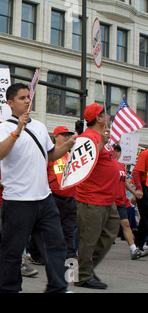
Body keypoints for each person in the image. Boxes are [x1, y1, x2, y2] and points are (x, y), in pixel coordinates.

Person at [0, 83, 75, 293]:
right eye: (22, 98)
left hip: (44, 199)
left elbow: (50, 155)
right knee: (12, 250)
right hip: (18, 200)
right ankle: (10, 290)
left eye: (28, 97)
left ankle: (58, 288)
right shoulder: (4, 127)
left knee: (56, 247)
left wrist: (68, 144)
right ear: (10, 103)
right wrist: (18, 129)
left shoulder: (38, 125)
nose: (28, 100)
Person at [74, 103, 120, 290]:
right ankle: (83, 276)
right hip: (91, 199)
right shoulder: (86, 138)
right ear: (99, 118)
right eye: (105, 114)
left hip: (108, 199)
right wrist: (101, 142)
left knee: (110, 234)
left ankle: (87, 268)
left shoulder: (103, 137)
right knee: (89, 239)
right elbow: (86, 164)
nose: (108, 116)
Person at [46, 126, 77, 260]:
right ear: (55, 136)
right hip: (54, 197)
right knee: (51, 229)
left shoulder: (71, 154)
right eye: (63, 134)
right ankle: (44, 254)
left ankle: (70, 254)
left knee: (68, 230)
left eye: (68, 135)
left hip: (70, 198)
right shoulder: (50, 154)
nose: (67, 137)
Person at [113, 144, 144, 260]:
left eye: (118, 151)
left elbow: (125, 182)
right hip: (108, 200)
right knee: (99, 226)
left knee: (126, 223)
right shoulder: (106, 165)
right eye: (114, 151)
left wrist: (135, 193)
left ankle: (133, 249)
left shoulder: (121, 166)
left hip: (120, 200)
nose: (116, 153)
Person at [131, 146, 148, 256]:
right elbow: (136, 172)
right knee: (146, 218)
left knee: (145, 219)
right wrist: (139, 189)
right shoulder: (145, 154)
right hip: (145, 188)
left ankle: (138, 244)